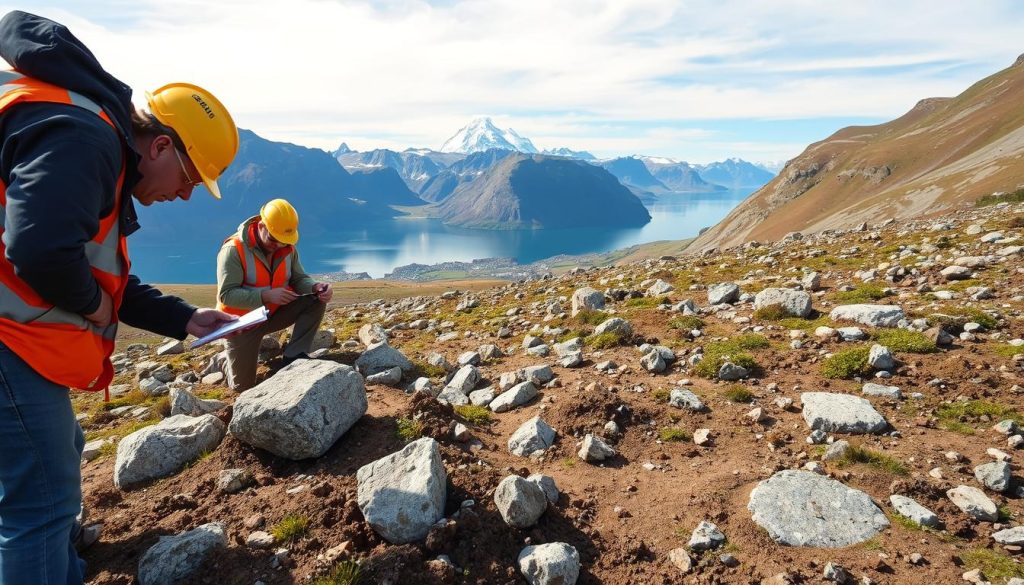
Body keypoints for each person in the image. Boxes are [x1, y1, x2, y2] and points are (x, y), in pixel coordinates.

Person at [0, 10, 241, 585]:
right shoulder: (87, 139)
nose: (184, 196)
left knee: (55, 454)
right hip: (7, 340)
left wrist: (185, 318)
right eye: (188, 178)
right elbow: (38, 251)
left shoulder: (79, 125)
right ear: (159, 145)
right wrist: (93, 306)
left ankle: (58, 555)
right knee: (40, 498)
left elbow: (92, 269)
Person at [216, 198, 333, 391]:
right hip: (241, 324)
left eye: (283, 241)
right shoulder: (233, 250)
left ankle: (294, 357)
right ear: (261, 226)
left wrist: (315, 287)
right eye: (273, 239)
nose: (278, 246)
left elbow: (298, 278)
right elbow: (226, 295)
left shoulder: (286, 247)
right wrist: (266, 296)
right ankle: (223, 360)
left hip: (273, 315)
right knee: (242, 387)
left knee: (315, 300)